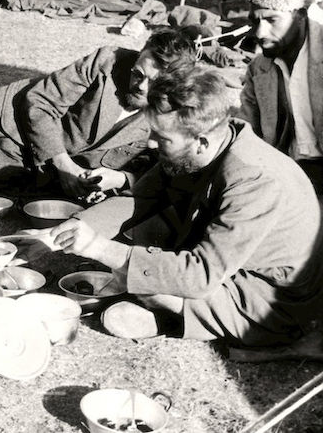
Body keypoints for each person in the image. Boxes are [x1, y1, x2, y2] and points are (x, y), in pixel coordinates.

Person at [43, 69, 323, 346]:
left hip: (268, 295)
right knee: (146, 250)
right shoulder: (204, 142)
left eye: (162, 138)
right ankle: (179, 314)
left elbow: (201, 275)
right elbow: (139, 199)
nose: (151, 143)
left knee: (146, 281)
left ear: (201, 142)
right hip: (226, 264)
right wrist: (68, 230)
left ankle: (174, 319)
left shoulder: (255, 181)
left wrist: (101, 249)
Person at [0, 26, 201, 202]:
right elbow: (40, 101)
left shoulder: (175, 117)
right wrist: (62, 163)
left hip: (28, 159)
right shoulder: (109, 60)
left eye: (154, 83)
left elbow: (159, 171)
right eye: (138, 74)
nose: (141, 86)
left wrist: (116, 179)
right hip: (10, 111)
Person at [239, 0, 323, 196]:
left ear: (301, 14)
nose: (260, 33)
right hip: (287, 173)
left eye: (271, 19)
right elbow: (246, 132)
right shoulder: (259, 69)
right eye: (255, 21)